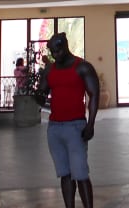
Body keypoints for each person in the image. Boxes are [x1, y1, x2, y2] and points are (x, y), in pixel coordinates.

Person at [37, 32, 99, 208]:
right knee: (64, 174)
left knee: (80, 174)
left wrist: (91, 123)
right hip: (54, 128)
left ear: (64, 46)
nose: (55, 55)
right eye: (52, 52)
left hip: (75, 127)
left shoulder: (83, 67)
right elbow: (42, 94)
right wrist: (36, 96)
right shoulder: (50, 69)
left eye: (57, 50)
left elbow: (94, 95)